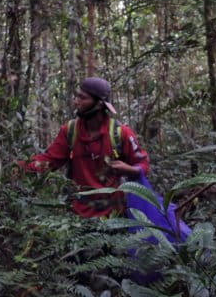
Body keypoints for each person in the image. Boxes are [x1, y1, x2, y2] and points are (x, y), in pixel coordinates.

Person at [20, 77, 150, 218]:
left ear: (99, 104)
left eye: (83, 98)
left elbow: (143, 165)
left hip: (114, 216)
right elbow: (49, 161)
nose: (76, 102)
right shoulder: (70, 131)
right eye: (77, 96)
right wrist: (20, 167)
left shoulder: (120, 133)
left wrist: (128, 169)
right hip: (78, 217)